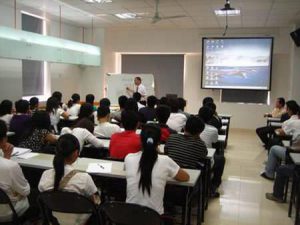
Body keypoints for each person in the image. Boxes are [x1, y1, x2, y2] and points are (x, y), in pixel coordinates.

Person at [125, 123, 189, 215]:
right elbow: (185, 177)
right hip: (154, 218)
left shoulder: (129, 158)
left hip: (128, 217)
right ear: (159, 142)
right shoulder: (165, 161)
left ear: (140, 140)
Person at [38, 134, 100, 225]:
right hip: (77, 220)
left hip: (54, 218)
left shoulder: (45, 175)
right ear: (76, 153)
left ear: (56, 150)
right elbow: (95, 201)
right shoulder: (84, 178)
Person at [165, 116, 225, 196]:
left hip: (170, 173)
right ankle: (211, 188)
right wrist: (198, 138)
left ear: (185, 127)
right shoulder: (200, 144)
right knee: (216, 161)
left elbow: (166, 151)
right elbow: (204, 154)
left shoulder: (172, 137)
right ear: (200, 132)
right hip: (188, 177)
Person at [0, 120, 31, 222]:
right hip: (6, 212)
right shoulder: (10, 166)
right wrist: (7, 159)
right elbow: (25, 191)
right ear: (4, 139)